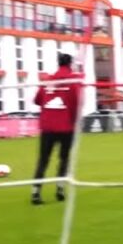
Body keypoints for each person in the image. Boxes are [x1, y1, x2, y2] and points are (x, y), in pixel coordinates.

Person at [32, 53, 80, 205]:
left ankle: (36, 192)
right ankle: (60, 189)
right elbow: (76, 103)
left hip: (47, 126)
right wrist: (73, 121)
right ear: (70, 64)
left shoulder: (48, 80)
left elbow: (37, 100)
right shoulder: (72, 81)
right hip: (66, 127)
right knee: (64, 158)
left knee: (43, 159)